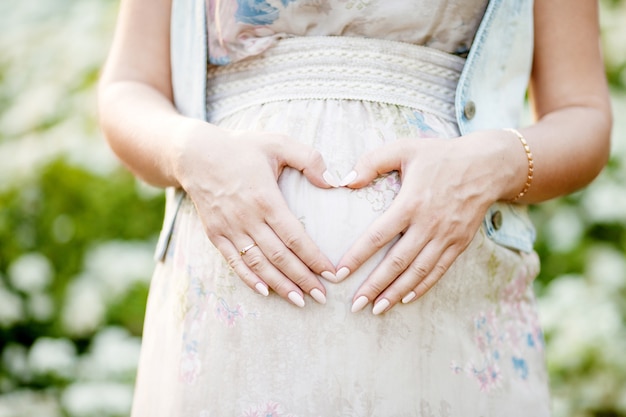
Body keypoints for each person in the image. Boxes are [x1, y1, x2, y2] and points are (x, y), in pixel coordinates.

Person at [98, 0, 611, 415]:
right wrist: (191, 153)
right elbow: (128, 87)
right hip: (229, 314)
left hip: (449, 323)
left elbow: (582, 117)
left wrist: (493, 163)